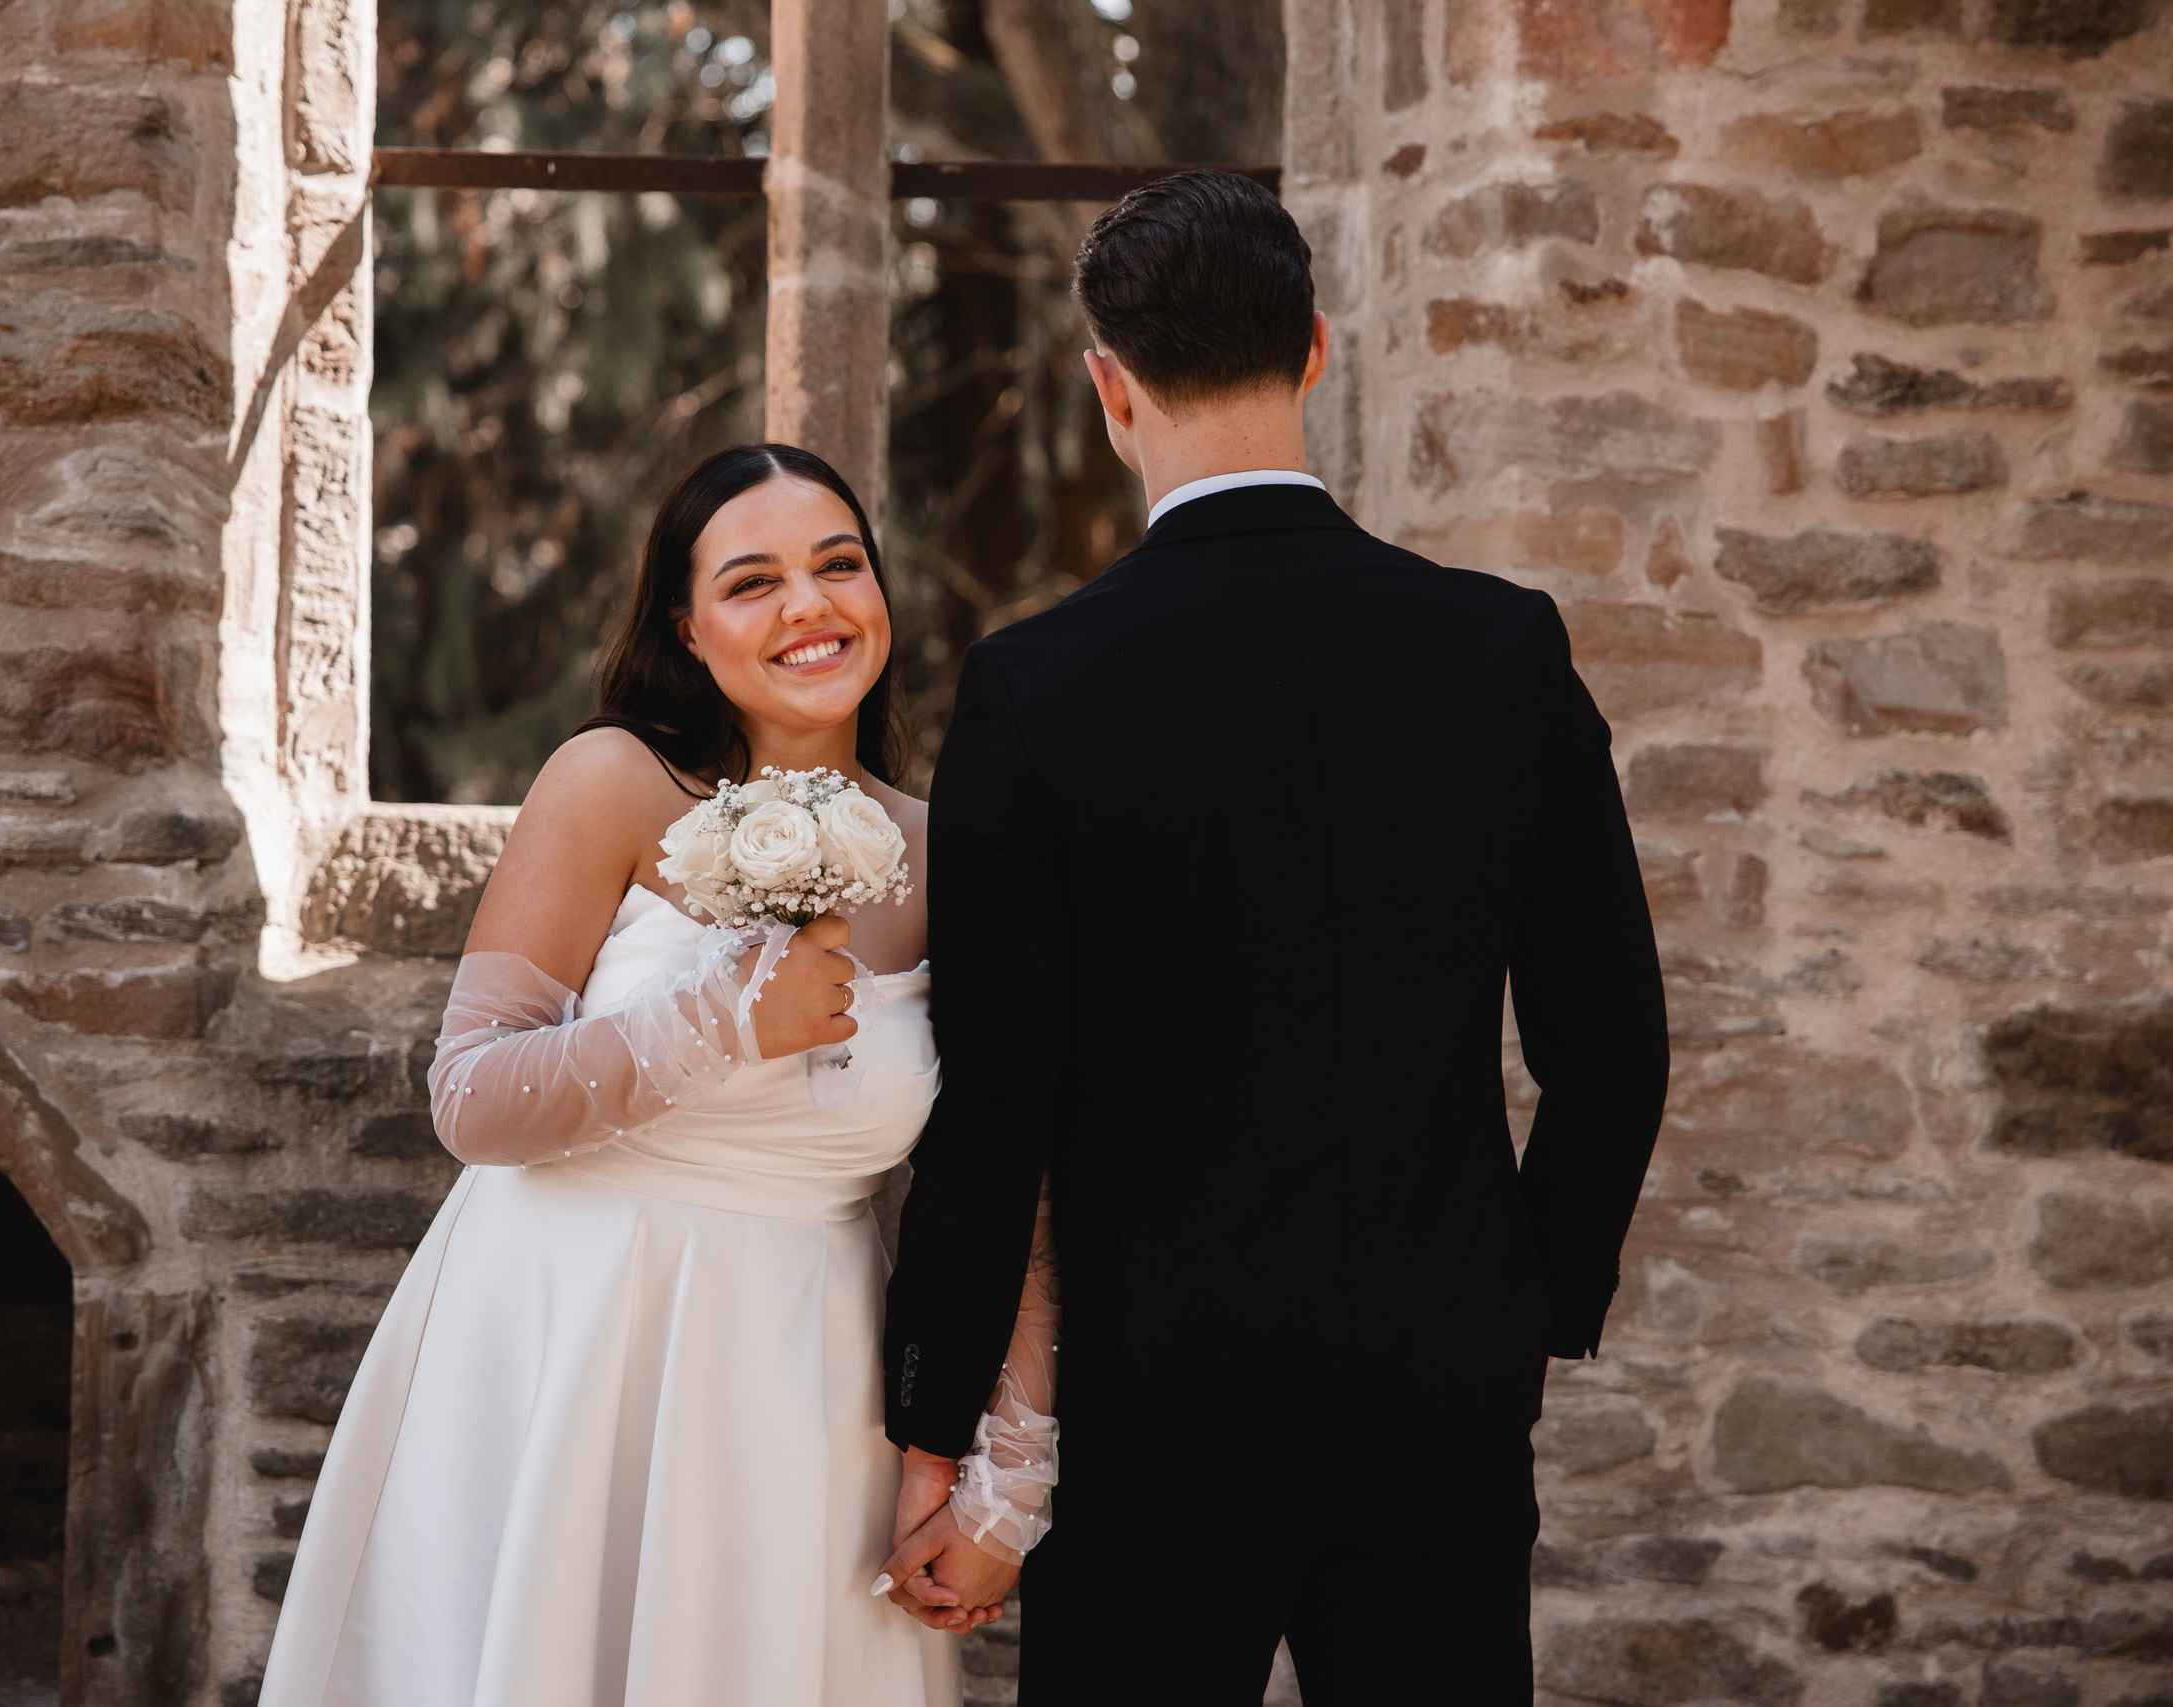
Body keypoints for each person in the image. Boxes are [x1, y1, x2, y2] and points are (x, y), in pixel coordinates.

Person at [875, 170, 1671, 1702]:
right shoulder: (1500, 650)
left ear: (1108, 387)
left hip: (1156, 1393)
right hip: (1444, 1372)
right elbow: (1613, 1047)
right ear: (1314, 349)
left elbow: (995, 1098)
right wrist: (1529, 1299)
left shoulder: (1037, 690)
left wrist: (939, 1416)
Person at [256, 445, 1053, 1707]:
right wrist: (725, 1018)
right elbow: (470, 1094)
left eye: (838, 565)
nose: (809, 605)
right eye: (754, 581)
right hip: (563, 1340)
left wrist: (1007, 1477)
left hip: (802, 1369)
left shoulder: (948, 853)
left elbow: (1012, 1173)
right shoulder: (611, 784)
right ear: (686, 630)